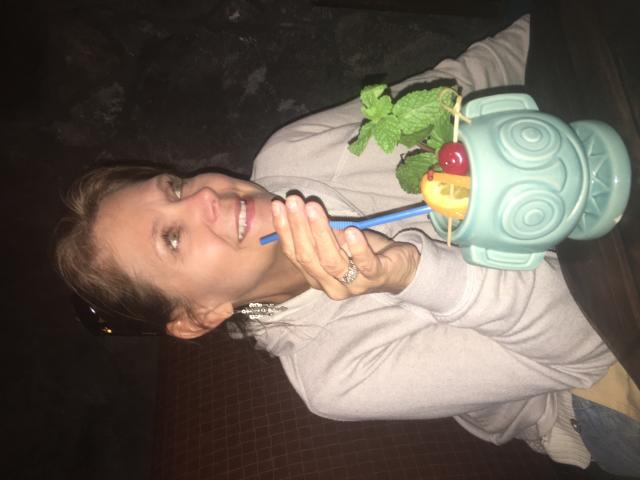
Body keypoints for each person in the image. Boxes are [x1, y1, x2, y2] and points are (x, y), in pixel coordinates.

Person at [55, 15, 640, 477]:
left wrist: (572, 21)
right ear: (199, 316)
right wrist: (414, 272)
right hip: (590, 390)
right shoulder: (336, 376)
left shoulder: (293, 154)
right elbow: (596, 338)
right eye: (173, 237)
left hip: (567, 187)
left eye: (175, 187)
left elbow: (470, 80)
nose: (204, 195)